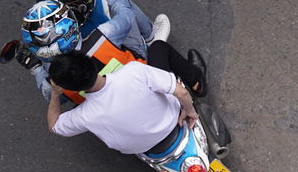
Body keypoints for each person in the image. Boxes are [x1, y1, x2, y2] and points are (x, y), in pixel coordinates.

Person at [20, 0, 172, 98]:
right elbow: (126, 15)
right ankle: (151, 37)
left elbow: (50, 94)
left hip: (107, 107)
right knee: (121, 1)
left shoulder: (54, 75)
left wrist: (35, 67)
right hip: (139, 73)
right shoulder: (105, 34)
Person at [46, 51, 199, 155]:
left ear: (70, 89)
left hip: (146, 148)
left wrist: (55, 94)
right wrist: (190, 111)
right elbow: (181, 93)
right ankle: (197, 80)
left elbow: (54, 126)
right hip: (174, 119)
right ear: (91, 63)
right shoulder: (132, 71)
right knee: (158, 47)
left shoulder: (84, 115)